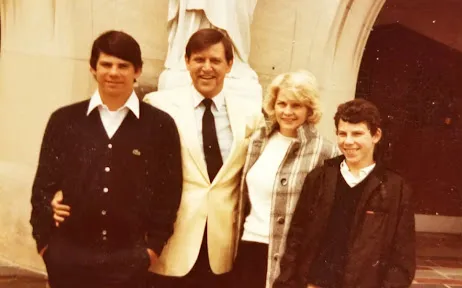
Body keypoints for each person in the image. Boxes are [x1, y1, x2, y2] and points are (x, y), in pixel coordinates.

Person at [30, 30, 183, 288]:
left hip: (129, 262)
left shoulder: (160, 126)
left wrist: (152, 250)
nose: (114, 72)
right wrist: (46, 244)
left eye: (123, 65)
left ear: (137, 70)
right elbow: (43, 185)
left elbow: (169, 193)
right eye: (106, 64)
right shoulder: (64, 120)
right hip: (68, 258)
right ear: (93, 68)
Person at [144, 28, 263, 287]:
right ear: (187, 62)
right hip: (171, 243)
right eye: (199, 59)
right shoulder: (159, 105)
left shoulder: (251, 114)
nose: (206, 68)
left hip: (221, 247)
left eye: (215, 60)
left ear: (229, 65)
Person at [274, 99, 416, 288]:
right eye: (342, 134)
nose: (348, 141)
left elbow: (402, 257)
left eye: (357, 133)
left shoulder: (395, 189)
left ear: (376, 135)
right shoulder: (320, 178)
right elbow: (296, 238)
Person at [232, 70, 339, 288]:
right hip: (248, 246)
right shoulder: (259, 140)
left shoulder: (326, 151)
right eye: (282, 104)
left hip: (289, 258)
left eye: (296, 105)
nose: (287, 112)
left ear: (309, 109)